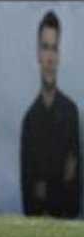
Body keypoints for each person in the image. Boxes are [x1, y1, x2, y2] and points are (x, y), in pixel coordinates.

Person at [20, 11, 81, 218]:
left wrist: (48, 190)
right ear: (38, 54)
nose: (49, 58)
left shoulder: (70, 113)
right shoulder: (30, 120)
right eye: (45, 48)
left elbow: (73, 181)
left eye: (54, 49)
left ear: (59, 55)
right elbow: (28, 190)